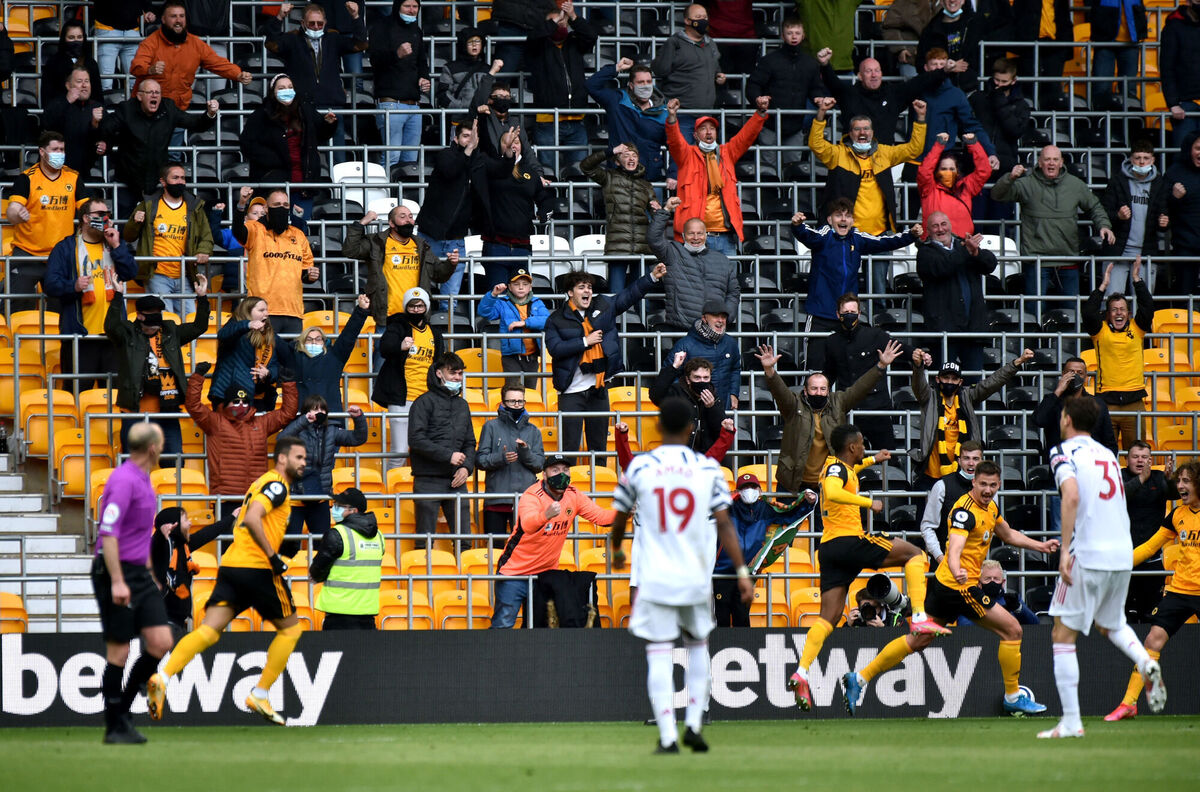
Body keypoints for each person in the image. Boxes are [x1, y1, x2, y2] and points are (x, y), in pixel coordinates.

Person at [841, 461, 1058, 717]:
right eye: (983, 485)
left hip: (946, 586)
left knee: (918, 640)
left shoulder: (990, 508)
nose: (988, 490)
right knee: (1013, 630)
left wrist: (1040, 546)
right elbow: (954, 546)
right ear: (973, 483)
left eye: (993, 485)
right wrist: (956, 568)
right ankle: (1012, 697)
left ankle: (859, 678)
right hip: (960, 586)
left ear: (998, 485)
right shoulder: (965, 512)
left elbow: (1008, 534)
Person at [609, 398, 752, 752]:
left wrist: (615, 549)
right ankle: (694, 723)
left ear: (658, 427)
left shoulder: (641, 467)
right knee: (697, 647)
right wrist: (742, 571)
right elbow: (725, 525)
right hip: (693, 574)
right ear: (692, 428)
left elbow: (619, 516)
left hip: (656, 574)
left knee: (659, 652)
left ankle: (668, 736)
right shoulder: (706, 470)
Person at [786, 424, 948, 713]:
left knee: (828, 618)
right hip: (849, 541)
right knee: (913, 554)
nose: (863, 447)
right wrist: (867, 502)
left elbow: (851, 469)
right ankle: (920, 615)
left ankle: (802, 671)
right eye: (862, 444)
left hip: (830, 550)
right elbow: (834, 491)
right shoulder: (836, 470)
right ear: (851, 447)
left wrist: (874, 459)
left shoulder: (843, 465)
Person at [150, 436, 311, 727]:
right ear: (283, 458)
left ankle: (162, 676)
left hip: (232, 566)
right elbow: (252, 518)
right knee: (291, 631)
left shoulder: (260, 482)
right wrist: (273, 557)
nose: (304, 462)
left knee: (209, 632)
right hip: (258, 569)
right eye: (299, 457)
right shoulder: (276, 485)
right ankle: (260, 693)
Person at [1040, 397, 1165, 738]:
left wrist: (1065, 549)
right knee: (1111, 624)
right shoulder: (1108, 455)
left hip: (1089, 552)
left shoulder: (1063, 452)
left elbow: (1072, 496)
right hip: (1122, 553)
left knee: (1062, 634)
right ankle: (1145, 662)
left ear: (1065, 418)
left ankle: (1071, 722)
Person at [91, 422, 174, 744]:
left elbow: (139, 534)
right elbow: (108, 533)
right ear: (152, 448)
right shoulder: (124, 481)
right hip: (116, 571)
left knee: (161, 640)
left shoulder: (144, 480)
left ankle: (123, 711)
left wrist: (151, 573)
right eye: (162, 443)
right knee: (119, 651)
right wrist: (117, 581)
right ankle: (115, 726)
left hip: (139, 571)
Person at [1105, 461, 1197, 721]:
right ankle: (1129, 704)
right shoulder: (1177, 515)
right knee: (1151, 642)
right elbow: (1149, 547)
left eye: (1187, 481)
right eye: (1179, 481)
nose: (1180, 486)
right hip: (1180, 590)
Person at [544, 265, 666, 459]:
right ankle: (569, 488)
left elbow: (628, 295)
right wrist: (585, 342)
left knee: (599, 449)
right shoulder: (555, 319)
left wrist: (651, 277)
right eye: (581, 287)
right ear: (569, 292)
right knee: (569, 450)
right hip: (570, 393)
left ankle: (597, 484)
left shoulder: (604, 306)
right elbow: (555, 349)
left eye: (589, 287)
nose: (587, 291)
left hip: (598, 390)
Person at [757, 340, 903, 496]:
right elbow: (780, 392)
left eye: (822, 389)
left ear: (828, 390)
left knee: (824, 521)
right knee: (790, 522)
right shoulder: (793, 405)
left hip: (827, 483)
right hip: (793, 483)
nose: (818, 392)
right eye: (814, 388)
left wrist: (880, 366)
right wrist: (769, 370)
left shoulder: (838, 402)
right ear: (805, 391)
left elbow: (860, 388)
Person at [492, 454, 616, 629]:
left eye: (565, 470)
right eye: (555, 470)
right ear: (544, 475)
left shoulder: (574, 495)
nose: (562, 474)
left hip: (546, 575)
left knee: (541, 628)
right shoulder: (531, 495)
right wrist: (546, 515)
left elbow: (602, 517)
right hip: (515, 573)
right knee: (503, 625)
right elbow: (527, 525)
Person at [791, 202, 919, 359]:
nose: (843, 219)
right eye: (839, 215)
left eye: (848, 216)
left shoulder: (857, 238)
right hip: (820, 315)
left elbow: (885, 242)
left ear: (853, 221)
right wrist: (797, 226)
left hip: (847, 316)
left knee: (847, 369)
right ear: (830, 220)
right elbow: (808, 235)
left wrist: (910, 235)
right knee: (815, 369)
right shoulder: (823, 236)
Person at [991, 147, 1115, 306]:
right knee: (1035, 314)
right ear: (1040, 162)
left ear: (1062, 162)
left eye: (1055, 159)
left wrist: (1103, 225)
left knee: (1072, 314)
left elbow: (1094, 207)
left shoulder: (1075, 185)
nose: (1051, 163)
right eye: (1047, 159)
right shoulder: (1026, 184)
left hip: (1068, 259)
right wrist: (1010, 178)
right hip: (1036, 261)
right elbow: (997, 194)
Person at [106, 284, 210, 465]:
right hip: (135, 411)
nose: (154, 327)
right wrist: (118, 296)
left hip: (166, 411)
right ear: (139, 316)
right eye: (149, 322)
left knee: (175, 461)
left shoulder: (170, 331)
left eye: (157, 321)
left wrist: (202, 298)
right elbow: (111, 327)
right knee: (133, 464)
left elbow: (199, 326)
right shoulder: (129, 333)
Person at [44, 198, 138, 385]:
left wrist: (117, 247)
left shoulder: (114, 244)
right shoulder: (65, 248)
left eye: (108, 215)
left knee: (113, 395)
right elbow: (50, 284)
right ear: (86, 218)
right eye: (100, 215)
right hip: (80, 337)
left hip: (113, 336)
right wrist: (74, 286)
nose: (106, 218)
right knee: (79, 392)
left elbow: (130, 272)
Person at [186, 362, 299, 518]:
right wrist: (197, 377)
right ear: (226, 403)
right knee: (228, 541)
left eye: (245, 402)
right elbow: (193, 405)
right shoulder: (215, 422)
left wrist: (288, 384)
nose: (241, 405)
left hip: (256, 496)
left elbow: (288, 413)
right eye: (236, 402)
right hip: (226, 498)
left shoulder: (261, 423)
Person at [911, 350, 1031, 490]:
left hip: (961, 475)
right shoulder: (929, 397)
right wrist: (918, 366)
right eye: (946, 377)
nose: (949, 382)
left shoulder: (967, 396)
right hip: (930, 475)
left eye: (954, 379)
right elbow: (918, 386)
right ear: (938, 379)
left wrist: (1017, 363)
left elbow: (992, 383)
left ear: (960, 382)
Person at [808, 97, 928, 238]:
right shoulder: (838, 154)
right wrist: (822, 112)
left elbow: (914, 149)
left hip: (880, 235)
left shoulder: (884, 153)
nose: (862, 133)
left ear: (872, 132)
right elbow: (815, 143)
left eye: (866, 129)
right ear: (850, 133)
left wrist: (920, 118)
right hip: (847, 234)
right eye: (857, 129)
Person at [662, 96, 769, 253]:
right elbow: (675, 141)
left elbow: (745, 137)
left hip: (725, 237)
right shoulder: (687, 155)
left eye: (712, 128)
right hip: (694, 238)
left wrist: (760, 113)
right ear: (695, 135)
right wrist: (672, 117)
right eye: (703, 129)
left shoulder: (727, 153)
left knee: (728, 278)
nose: (708, 132)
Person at [98, 78, 218, 216]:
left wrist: (210, 114)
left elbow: (195, 123)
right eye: (150, 92)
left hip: (156, 181)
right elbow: (108, 128)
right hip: (127, 180)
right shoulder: (126, 109)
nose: (154, 95)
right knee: (126, 225)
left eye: (157, 93)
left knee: (156, 225)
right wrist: (103, 138)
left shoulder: (168, 109)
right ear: (139, 95)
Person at [265, 1, 367, 162]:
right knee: (305, 155)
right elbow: (272, 44)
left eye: (320, 24)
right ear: (303, 23)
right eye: (311, 23)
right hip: (303, 107)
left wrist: (355, 17)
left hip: (332, 105)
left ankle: (337, 186)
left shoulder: (333, 37)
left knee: (337, 156)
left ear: (325, 23)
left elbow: (361, 44)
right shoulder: (292, 38)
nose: (316, 27)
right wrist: (279, 17)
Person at [807, 293, 909, 451]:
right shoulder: (832, 342)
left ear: (859, 313)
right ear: (837, 314)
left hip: (877, 409)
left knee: (888, 458)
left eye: (853, 312)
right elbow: (829, 373)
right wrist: (818, 389)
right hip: (849, 409)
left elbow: (898, 347)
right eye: (845, 313)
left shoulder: (874, 335)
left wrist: (919, 354)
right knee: (847, 456)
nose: (849, 316)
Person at [715, 473, 815, 627]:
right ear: (738, 491)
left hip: (747, 571)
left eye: (753, 487)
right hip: (722, 571)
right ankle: (717, 648)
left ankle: (744, 648)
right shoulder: (727, 507)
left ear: (759, 491)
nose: (749, 490)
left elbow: (789, 514)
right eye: (744, 487)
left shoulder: (765, 509)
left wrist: (807, 502)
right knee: (721, 616)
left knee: (741, 616)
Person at [4, 131, 89, 310]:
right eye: (55, 149)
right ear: (42, 152)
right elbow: (12, 212)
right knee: (17, 305)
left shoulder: (73, 177)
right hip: (28, 253)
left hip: (60, 255)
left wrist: (101, 218)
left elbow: (87, 209)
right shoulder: (27, 178)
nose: (60, 153)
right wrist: (17, 214)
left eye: (62, 149)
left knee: (61, 309)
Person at [240, 74, 338, 227]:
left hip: (303, 185)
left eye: (290, 87)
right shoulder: (262, 114)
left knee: (299, 230)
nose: (287, 90)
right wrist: (275, 159)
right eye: (281, 88)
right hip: (273, 184)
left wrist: (329, 123)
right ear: (273, 92)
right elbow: (247, 144)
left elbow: (321, 135)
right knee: (271, 230)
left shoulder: (305, 110)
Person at [122, 164, 214, 318]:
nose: (180, 182)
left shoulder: (194, 206)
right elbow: (128, 236)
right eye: (175, 177)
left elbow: (206, 236)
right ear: (163, 182)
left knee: (190, 320)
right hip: (157, 274)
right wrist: (135, 222)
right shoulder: (149, 205)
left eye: (183, 178)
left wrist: (203, 250)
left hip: (185, 274)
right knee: (165, 320)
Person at [1082, 258, 1154, 450]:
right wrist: (1103, 286)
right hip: (1106, 402)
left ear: (1128, 313)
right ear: (1108, 314)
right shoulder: (1100, 331)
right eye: (1114, 310)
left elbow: (1148, 307)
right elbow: (1088, 312)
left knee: (1138, 454)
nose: (1118, 313)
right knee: (1104, 453)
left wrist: (1137, 280)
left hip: (1134, 402)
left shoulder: (1137, 328)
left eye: (1122, 309)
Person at [130, 1, 251, 112]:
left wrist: (237, 74)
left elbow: (217, 63)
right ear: (163, 19)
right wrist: (150, 69)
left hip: (177, 110)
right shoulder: (151, 42)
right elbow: (136, 68)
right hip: (150, 111)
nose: (178, 20)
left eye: (182, 16)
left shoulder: (194, 43)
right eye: (173, 16)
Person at [916, 211, 998, 375]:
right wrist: (966, 250)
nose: (941, 229)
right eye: (935, 226)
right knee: (944, 383)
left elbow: (990, 265)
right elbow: (941, 267)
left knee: (974, 385)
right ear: (928, 231)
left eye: (944, 224)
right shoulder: (925, 253)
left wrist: (976, 253)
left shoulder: (964, 246)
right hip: (944, 331)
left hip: (973, 329)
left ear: (950, 225)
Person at [408, 352, 477, 548]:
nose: (457, 377)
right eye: (452, 372)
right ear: (439, 373)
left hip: (457, 480)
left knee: (464, 541)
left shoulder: (463, 405)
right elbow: (416, 439)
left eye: (460, 373)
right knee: (424, 541)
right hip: (427, 480)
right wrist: (448, 456)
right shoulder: (423, 402)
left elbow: (470, 442)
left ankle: (465, 578)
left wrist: (466, 468)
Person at [346, 204, 457, 325]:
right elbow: (350, 250)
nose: (408, 220)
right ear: (392, 223)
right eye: (403, 217)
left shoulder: (421, 245)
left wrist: (450, 264)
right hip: (386, 316)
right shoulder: (377, 242)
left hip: (415, 316)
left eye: (410, 217)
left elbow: (439, 275)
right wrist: (361, 224)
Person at [232, 187, 321, 338]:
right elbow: (237, 231)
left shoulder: (298, 235)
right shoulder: (255, 229)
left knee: (289, 360)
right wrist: (242, 204)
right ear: (266, 208)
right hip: (262, 312)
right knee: (263, 359)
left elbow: (306, 272)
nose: (282, 208)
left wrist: (311, 275)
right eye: (277, 205)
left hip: (294, 312)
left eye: (285, 205)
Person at [373, 287, 442, 469]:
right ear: (406, 308)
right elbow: (384, 348)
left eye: (420, 306)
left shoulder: (434, 333)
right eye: (412, 306)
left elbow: (440, 364)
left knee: (425, 451)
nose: (416, 310)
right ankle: (388, 495)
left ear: (426, 307)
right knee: (400, 452)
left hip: (426, 399)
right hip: (401, 398)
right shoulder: (397, 326)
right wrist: (400, 346)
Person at [525, 0, 596, 176]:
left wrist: (573, 16)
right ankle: (549, 204)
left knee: (579, 172)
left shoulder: (574, 42)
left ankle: (578, 204)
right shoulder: (538, 47)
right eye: (555, 22)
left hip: (576, 120)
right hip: (548, 121)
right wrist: (555, 21)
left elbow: (591, 36)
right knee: (547, 173)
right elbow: (532, 37)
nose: (560, 24)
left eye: (563, 21)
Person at [478, 126, 555, 286]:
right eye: (508, 141)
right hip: (496, 246)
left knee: (521, 299)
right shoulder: (490, 168)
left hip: (522, 246)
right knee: (498, 297)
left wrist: (544, 212)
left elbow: (544, 198)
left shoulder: (531, 173)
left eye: (517, 141)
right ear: (500, 145)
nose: (513, 145)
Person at [282, 395, 368, 538]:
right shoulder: (298, 429)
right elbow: (281, 440)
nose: (319, 412)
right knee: (290, 546)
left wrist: (358, 418)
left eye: (322, 409)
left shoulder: (332, 431)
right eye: (314, 409)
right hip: (295, 498)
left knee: (322, 544)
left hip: (320, 497)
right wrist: (303, 421)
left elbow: (358, 438)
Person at [647, 197, 740, 330]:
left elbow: (734, 292)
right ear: (684, 236)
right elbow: (653, 239)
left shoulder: (722, 260)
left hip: (714, 329)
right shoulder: (672, 253)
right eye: (691, 234)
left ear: (706, 235)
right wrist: (666, 210)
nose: (696, 238)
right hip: (683, 330)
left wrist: (726, 317)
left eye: (700, 233)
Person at [419, 120, 482, 309]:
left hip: (456, 240)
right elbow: (450, 171)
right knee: (420, 295)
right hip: (430, 237)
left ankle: (448, 337)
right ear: (455, 138)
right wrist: (468, 150)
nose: (469, 141)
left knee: (450, 300)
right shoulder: (446, 155)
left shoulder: (478, 161)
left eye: (473, 137)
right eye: (465, 136)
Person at [745, 19, 826, 167]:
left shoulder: (810, 63)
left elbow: (815, 88)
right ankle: (770, 191)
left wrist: (818, 98)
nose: (794, 37)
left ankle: (788, 191)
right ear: (783, 36)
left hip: (795, 126)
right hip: (769, 123)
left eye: (797, 33)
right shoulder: (769, 61)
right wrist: (757, 98)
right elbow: (753, 84)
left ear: (803, 36)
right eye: (790, 33)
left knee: (793, 169)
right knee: (768, 170)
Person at [817, 52, 944, 145]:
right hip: (852, 158)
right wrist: (825, 64)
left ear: (882, 74)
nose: (874, 75)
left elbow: (920, 82)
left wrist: (944, 71)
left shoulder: (893, 94)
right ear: (860, 76)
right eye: (868, 71)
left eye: (877, 71)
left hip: (882, 159)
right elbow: (832, 82)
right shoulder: (849, 94)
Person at [580, 143, 656, 294]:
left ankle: (641, 319)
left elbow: (656, 215)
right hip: (617, 247)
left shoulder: (646, 185)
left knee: (641, 297)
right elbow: (586, 166)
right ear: (617, 161)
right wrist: (611, 151)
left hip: (641, 247)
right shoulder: (609, 177)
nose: (631, 158)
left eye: (634, 155)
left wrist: (660, 211)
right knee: (615, 296)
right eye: (626, 155)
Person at [278, 294, 370, 413]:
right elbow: (275, 342)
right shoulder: (293, 357)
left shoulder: (335, 356)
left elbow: (349, 335)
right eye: (309, 339)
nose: (314, 342)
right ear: (302, 342)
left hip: (331, 417)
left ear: (324, 342)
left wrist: (361, 310)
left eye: (318, 339)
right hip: (301, 417)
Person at [150, 506, 232, 638]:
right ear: (174, 525)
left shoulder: (184, 546)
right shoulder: (163, 546)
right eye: (185, 519)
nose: (190, 523)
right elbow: (154, 545)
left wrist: (232, 517)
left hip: (178, 621)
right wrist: (160, 533)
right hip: (162, 621)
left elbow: (207, 533)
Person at [1099, 141, 1170, 295]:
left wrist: (1164, 222)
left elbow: (1165, 214)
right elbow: (1103, 213)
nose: (1142, 162)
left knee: (1143, 303)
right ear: (1131, 159)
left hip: (1146, 253)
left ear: (1153, 160)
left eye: (1146, 158)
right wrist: (1118, 216)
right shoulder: (1117, 181)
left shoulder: (1159, 183)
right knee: (1113, 300)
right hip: (1117, 251)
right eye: (1138, 158)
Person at [477, 383, 547, 536]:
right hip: (496, 500)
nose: (516, 405)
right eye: (512, 401)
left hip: (526, 501)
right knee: (495, 550)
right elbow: (480, 460)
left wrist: (525, 452)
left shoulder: (533, 431)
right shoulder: (490, 427)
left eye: (520, 401)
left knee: (525, 549)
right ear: (503, 403)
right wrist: (501, 458)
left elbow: (539, 465)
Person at [368, 0, 430, 171]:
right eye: (407, 6)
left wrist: (424, 78)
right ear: (397, 7)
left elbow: (422, 63)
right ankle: (386, 196)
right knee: (391, 157)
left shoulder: (416, 30)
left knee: (411, 161)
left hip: (414, 106)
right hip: (390, 103)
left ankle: (407, 197)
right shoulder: (381, 27)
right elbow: (375, 61)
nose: (411, 10)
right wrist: (397, 54)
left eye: (415, 7)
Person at [311, 487, 384, 630]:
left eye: (339, 506)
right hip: (367, 614)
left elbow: (316, 572)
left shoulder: (337, 534)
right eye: (334, 504)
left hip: (339, 615)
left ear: (354, 511)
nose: (334, 508)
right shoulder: (379, 536)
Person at [584, 59, 669, 182]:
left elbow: (675, 146)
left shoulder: (664, 112)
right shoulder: (617, 101)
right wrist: (616, 68)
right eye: (640, 82)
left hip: (650, 179)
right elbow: (591, 85)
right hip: (619, 179)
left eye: (648, 82)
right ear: (631, 85)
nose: (645, 86)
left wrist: (673, 174)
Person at [1121, 443, 1177, 625]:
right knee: (1124, 614)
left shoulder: (1159, 477)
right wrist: (1141, 479)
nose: (1140, 460)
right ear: (1126, 459)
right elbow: (1119, 496)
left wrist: (1170, 480)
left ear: (1150, 460)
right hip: (1124, 558)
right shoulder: (1119, 476)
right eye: (1135, 456)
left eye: (1144, 457)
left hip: (1152, 559)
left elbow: (1176, 494)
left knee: (1150, 614)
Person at [651, 3, 723, 137]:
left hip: (706, 115)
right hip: (682, 114)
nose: (703, 20)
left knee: (703, 157)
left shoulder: (710, 43)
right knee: (680, 157)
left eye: (705, 17)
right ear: (687, 21)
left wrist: (719, 75)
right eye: (698, 17)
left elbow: (715, 67)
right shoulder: (674, 43)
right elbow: (660, 70)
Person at [1033, 357, 1119, 464]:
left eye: (1080, 373)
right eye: (1071, 372)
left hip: (1090, 467)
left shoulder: (1097, 404)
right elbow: (1039, 420)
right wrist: (1058, 390)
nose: (1075, 376)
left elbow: (1109, 442)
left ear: (1085, 376)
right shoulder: (1052, 400)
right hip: (1060, 466)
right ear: (1063, 374)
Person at [918, 49, 999, 161]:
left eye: (942, 64)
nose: (938, 68)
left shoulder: (956, 95)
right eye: (934, 64)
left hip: (942, 160)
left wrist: (990, 152)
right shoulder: (916, 90)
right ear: (926, 67)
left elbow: (971, 126)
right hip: (915, 158)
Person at [478, 270, 550, 386]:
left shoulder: (537, 303)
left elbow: (547, 321)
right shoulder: (503, 303)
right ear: (510, 287)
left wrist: (524, 323)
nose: (521, 287)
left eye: (525, 284)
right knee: (513, 388)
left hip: (531, 356)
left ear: (530, 287)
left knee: (530, 390)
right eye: (516, 284)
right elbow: (485, 312)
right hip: (511, 356)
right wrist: (493, 295)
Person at [665, 301, 741, 410]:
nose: (720, 320)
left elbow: (735, 369)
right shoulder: (685, 344)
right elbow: (670, 373)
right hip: (694, 409)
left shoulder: (730, 343)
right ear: (704, 319)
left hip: (723, 406)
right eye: (715, 316)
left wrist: (734, 394)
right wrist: (686, 398)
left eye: (723, 317)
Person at [919, 440, 983, 567]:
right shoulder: (942, 485)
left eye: (975, 459)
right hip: (944, 562)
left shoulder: (988, 488)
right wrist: (940, 557)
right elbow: (927, 526)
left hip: (975, 564)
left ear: (982, 461)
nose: (971, 463)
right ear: (959, 461)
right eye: (966, 458)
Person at [969, 58, 1034, 180]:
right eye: (996, 80)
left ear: (1013, 81)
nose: (999, 85)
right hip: (976, 162)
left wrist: (1000, 102)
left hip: (1006, 165)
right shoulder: (978, 98)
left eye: (1004, 81)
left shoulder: (1021, 105)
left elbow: (1015, 131)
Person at [918, 133, 993, 237]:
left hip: (962, 246)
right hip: (934, 246)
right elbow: (924, 171)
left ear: (957, 172)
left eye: (951, 169)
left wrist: (973, 144)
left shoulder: (966, 187)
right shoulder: (929, 189)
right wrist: (939, 145)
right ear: (936, 172)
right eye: (943, 169)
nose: (948, 172)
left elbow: (984, 170)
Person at [210, 297, 279, 410]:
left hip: (253, 394)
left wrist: (269, 373)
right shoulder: (235, 325)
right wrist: (247, 325)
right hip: (226, 392)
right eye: (261, 310)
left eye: (266, 310)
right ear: (248, 311)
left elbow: (275, 365)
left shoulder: (267, 334)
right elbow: (223, 335)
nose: (266, 313)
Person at [649, 355, 725, 454]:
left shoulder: (714, 397)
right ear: (688, 380)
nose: (702, 381)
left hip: (706, 455)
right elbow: (656, 395)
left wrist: (712, 408)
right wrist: (674, 367)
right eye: (697, 377)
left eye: (706, 378)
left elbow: (720, 432)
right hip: (679, 454)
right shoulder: (677, 393)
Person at [41, 66, 105, 177]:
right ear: (68, 86)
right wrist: (67, 101)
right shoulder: (57, 104)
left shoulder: (97, 107)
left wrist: (97, 129)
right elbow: (47, 125)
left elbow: (105, 136)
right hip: (57, 171)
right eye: (79, 81)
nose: (84, 85)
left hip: (85, 172)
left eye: (87, 81)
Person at [916, 0, 987, 92]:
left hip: (969, 88)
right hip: (939, 89)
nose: (952, 0)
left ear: (963, 1)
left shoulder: (974, 24)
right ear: (941, 2)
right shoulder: (930, 30)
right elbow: (920, 63)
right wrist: (947, 68)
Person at [1088, 0, 1147, 111]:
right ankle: (1101, 125)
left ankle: (1129, 125)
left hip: (1130, 40)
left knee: (1129, 90)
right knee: (1102, 88)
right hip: (1104, 40)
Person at [1159, 0, 1200, 145]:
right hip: (1185, 105)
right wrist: (1173, 103)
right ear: (1188, 2)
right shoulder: (1174, 26)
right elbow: (1167, 67)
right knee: (1184, 154)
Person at [1163, 131, 1200, 294]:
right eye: (1198, 148)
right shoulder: (1174, 173)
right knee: (1185, 294)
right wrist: (1175, 198)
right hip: (1185, 245)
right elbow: (1161, 208)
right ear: (1188, 149)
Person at [93, 0, 157, 92]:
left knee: (136, 84)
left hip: (132, 31)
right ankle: (106, 106)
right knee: (105, 83)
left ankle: (133, 106)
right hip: (107, 29)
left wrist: (149, 12)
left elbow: (147, 4)